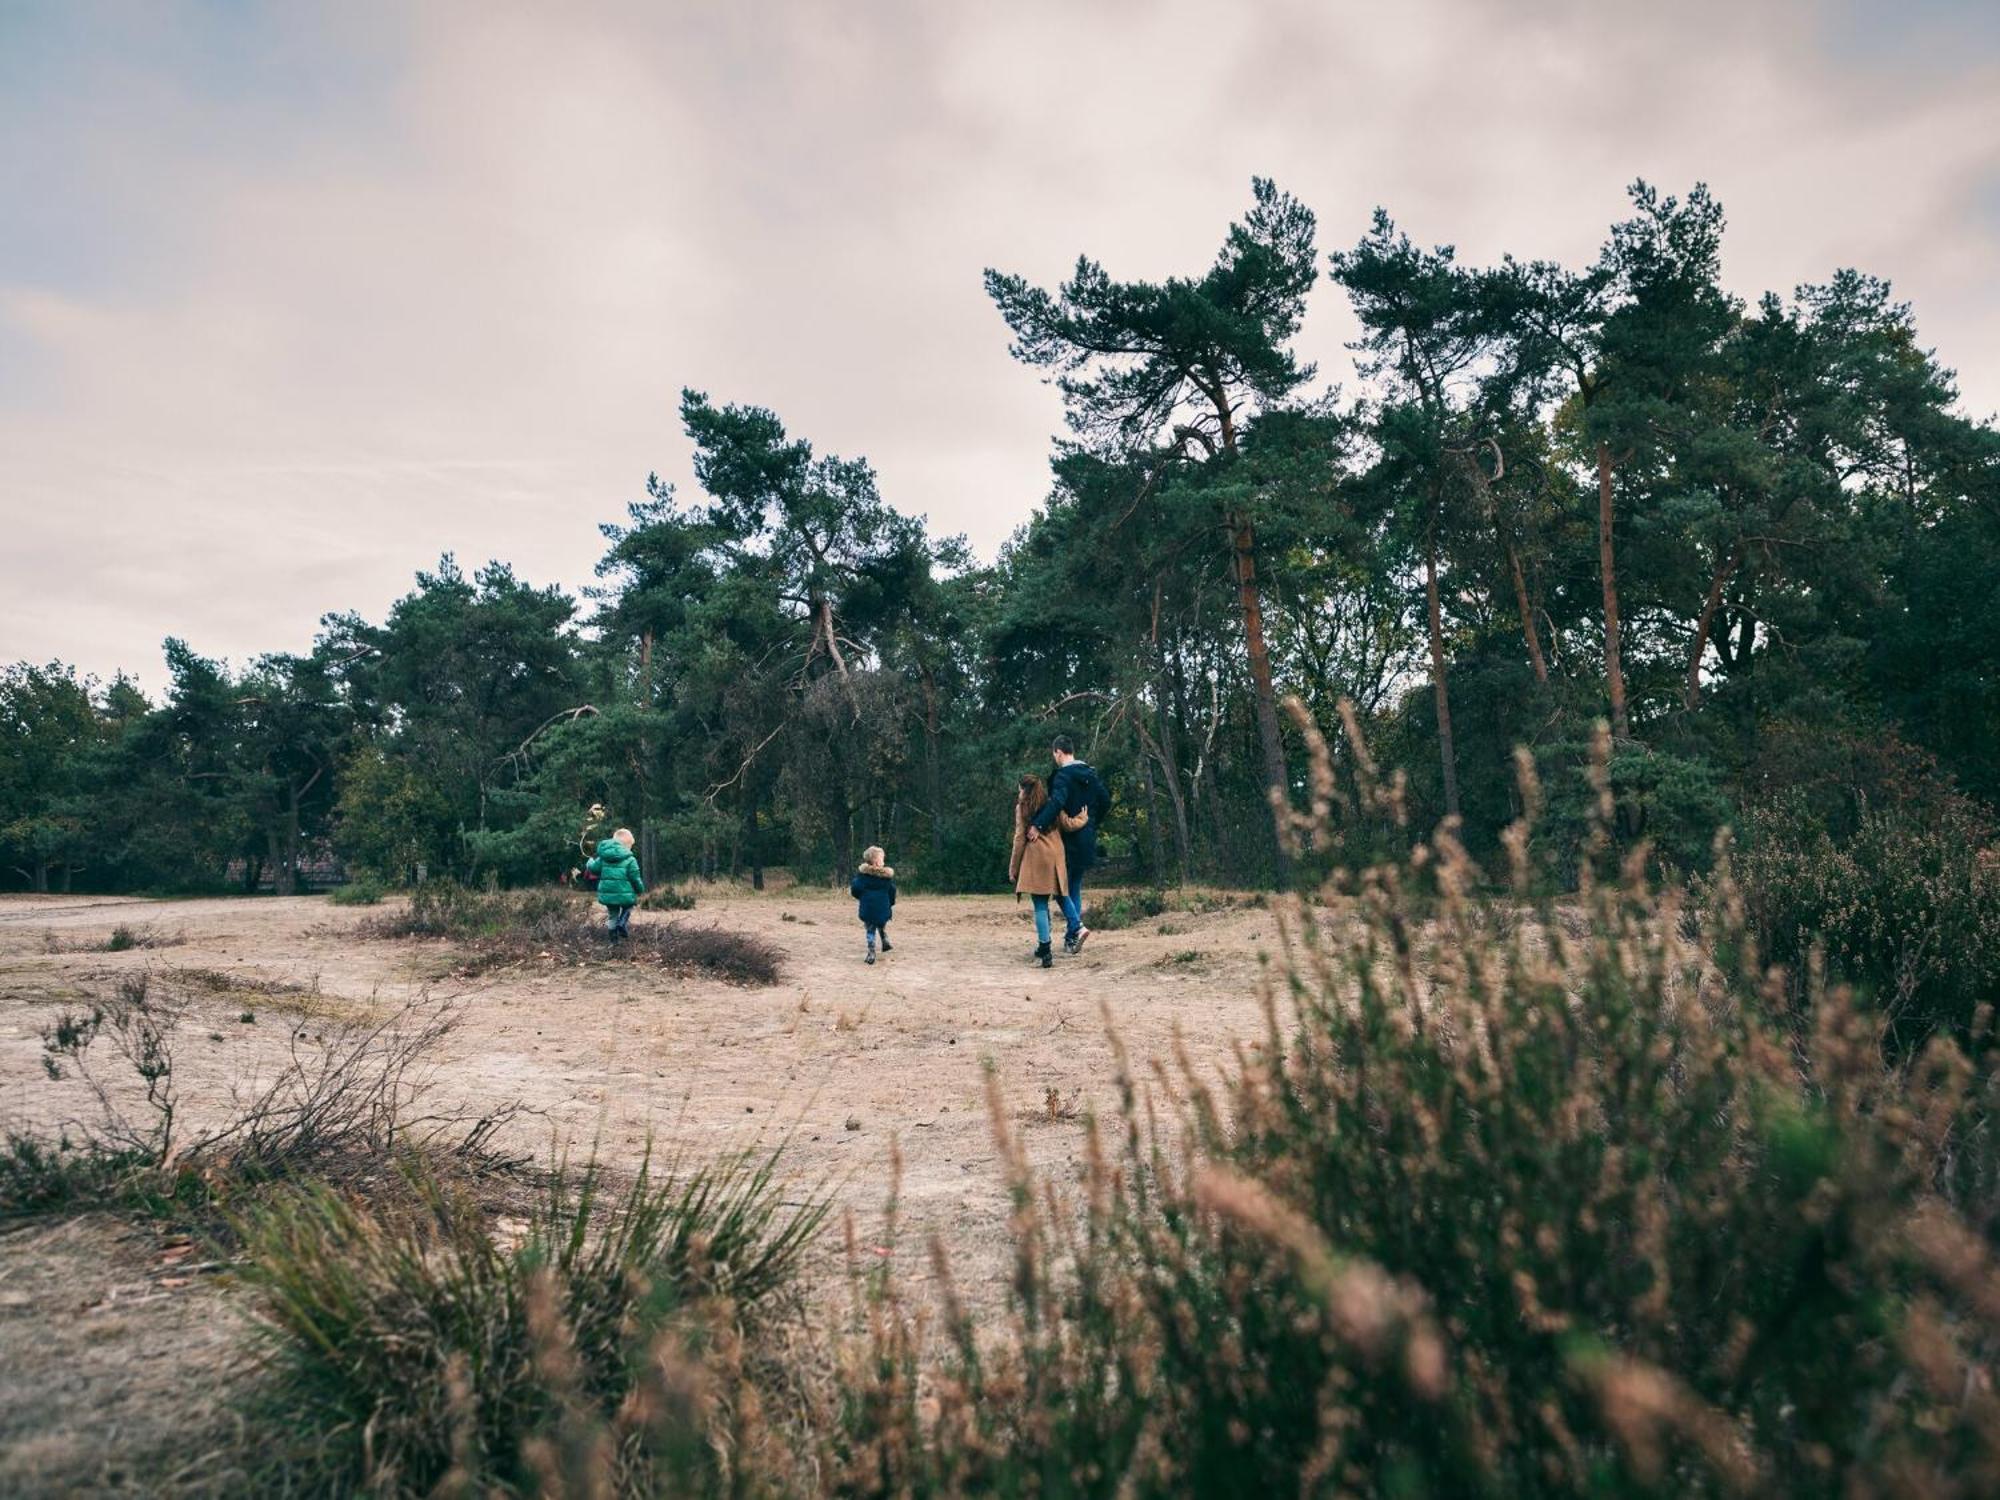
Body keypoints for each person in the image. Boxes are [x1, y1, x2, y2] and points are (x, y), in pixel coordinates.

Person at [1028, 734, 1107, 952]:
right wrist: (1091, 824)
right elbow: (1105, 799)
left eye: (1054, 754)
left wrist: (1038, 825)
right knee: (1074, 887)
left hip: (1069, 842)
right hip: (1087, 839)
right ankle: (1071, 939)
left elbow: (1057, 802)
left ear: (1058, 752)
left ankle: (1076, 927)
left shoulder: (1063, 776)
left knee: (1062, 891)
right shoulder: (1090, 774)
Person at [1011, 774, 1086, 968]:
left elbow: (1020, 838)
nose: (1018, 793)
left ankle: (1045, 950)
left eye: (1019, 789)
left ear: (1025, 790)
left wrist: (1014, 867)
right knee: (1063, 894)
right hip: (1056, 855)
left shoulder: (1023, 808)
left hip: (1037, 858)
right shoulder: (1051, 804)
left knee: (1040, 904)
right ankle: (1077, 926)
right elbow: (1068, 824)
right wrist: (1082, 819)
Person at [584, 827, 644, 938]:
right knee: (630, 904)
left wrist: (589, 862)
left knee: (612, 916)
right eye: (630, 846)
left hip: (608, 894)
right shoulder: (630, 859)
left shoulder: (603, 857)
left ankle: (613, 941)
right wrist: (640, 889)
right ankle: (622, 923)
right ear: (627, 845)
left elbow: (594, 869)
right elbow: (635, 877)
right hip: (625, 894)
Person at [850, 845, 897, 964]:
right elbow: (892, 891)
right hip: (882, 908)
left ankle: (871, 952)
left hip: (868, 908)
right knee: (881, 924)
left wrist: (861, 898)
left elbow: (855, 888)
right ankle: (884, 940)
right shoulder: (886, 879)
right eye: (882, 859)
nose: (884, 861)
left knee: (870, 929)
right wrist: (890, 903)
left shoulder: (862, 877)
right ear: (876, 862)